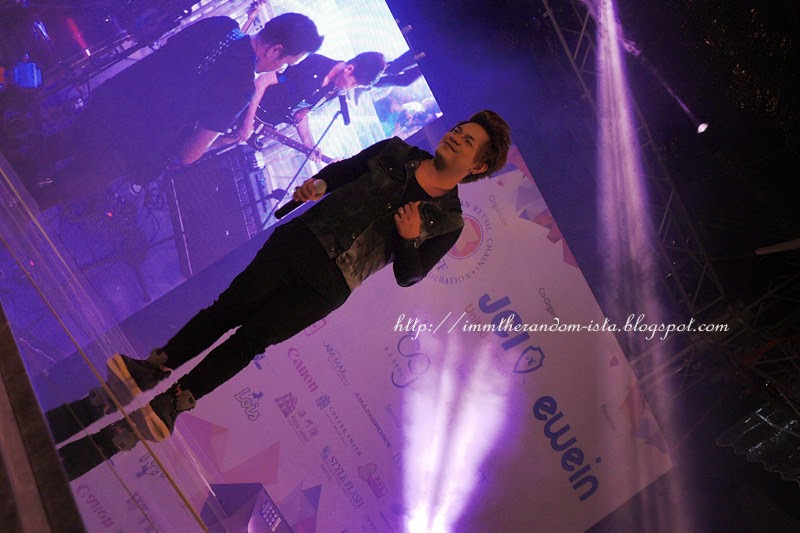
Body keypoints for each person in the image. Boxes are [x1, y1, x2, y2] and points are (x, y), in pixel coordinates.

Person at [55, 110, 511, 479]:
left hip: (333, 284)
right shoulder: (396, 150)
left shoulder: (449, 221)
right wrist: (319, 185)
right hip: (301, 241)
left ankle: (176, 399)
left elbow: (410, 276)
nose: (455, 137)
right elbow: (345, 171)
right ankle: (153, 367)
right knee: (227, 309)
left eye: (467, 141)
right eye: (458, 130)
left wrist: (409, 240)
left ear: (478, 166)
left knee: (252, 340)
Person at [33, 13, 324, 209]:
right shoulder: (242, 86)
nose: (280, 69)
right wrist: (226, 139)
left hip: (112, 101)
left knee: (49, 149)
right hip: (129, 146)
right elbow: (188, 155)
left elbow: (170, 55)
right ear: (275, 50)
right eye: (286, 62)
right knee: (54, 193)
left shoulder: (221, 25)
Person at [235, 51, 386, 157]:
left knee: (226, 142)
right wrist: (248, 121)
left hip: (261, 125)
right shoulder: (314, 62)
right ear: (349, 69)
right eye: (354, 84)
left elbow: (301, 114)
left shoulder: (333, 90)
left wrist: (310, 146)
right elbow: (263, 80)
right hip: (244, 108)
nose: (350, 88)